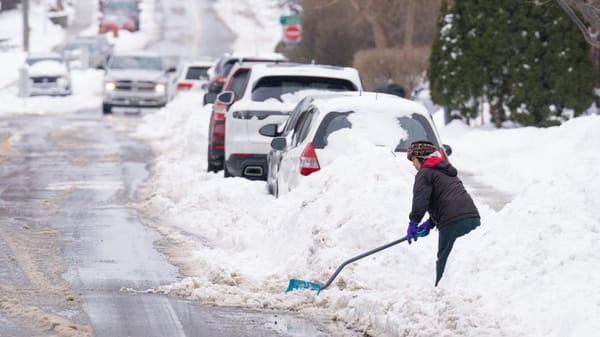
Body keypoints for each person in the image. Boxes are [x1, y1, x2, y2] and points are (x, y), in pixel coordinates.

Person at [405, 140, 480, 286]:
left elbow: (421, 200)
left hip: (452, 223)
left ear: (422, 158)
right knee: (468, 261)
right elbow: (448, 199)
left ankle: (441, 292)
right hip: (472, 217)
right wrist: (431, 223)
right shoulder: (445, 171)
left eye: (413, 160)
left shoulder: (425, 173)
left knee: (445, 261)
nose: (413, 165)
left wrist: (413, 223)